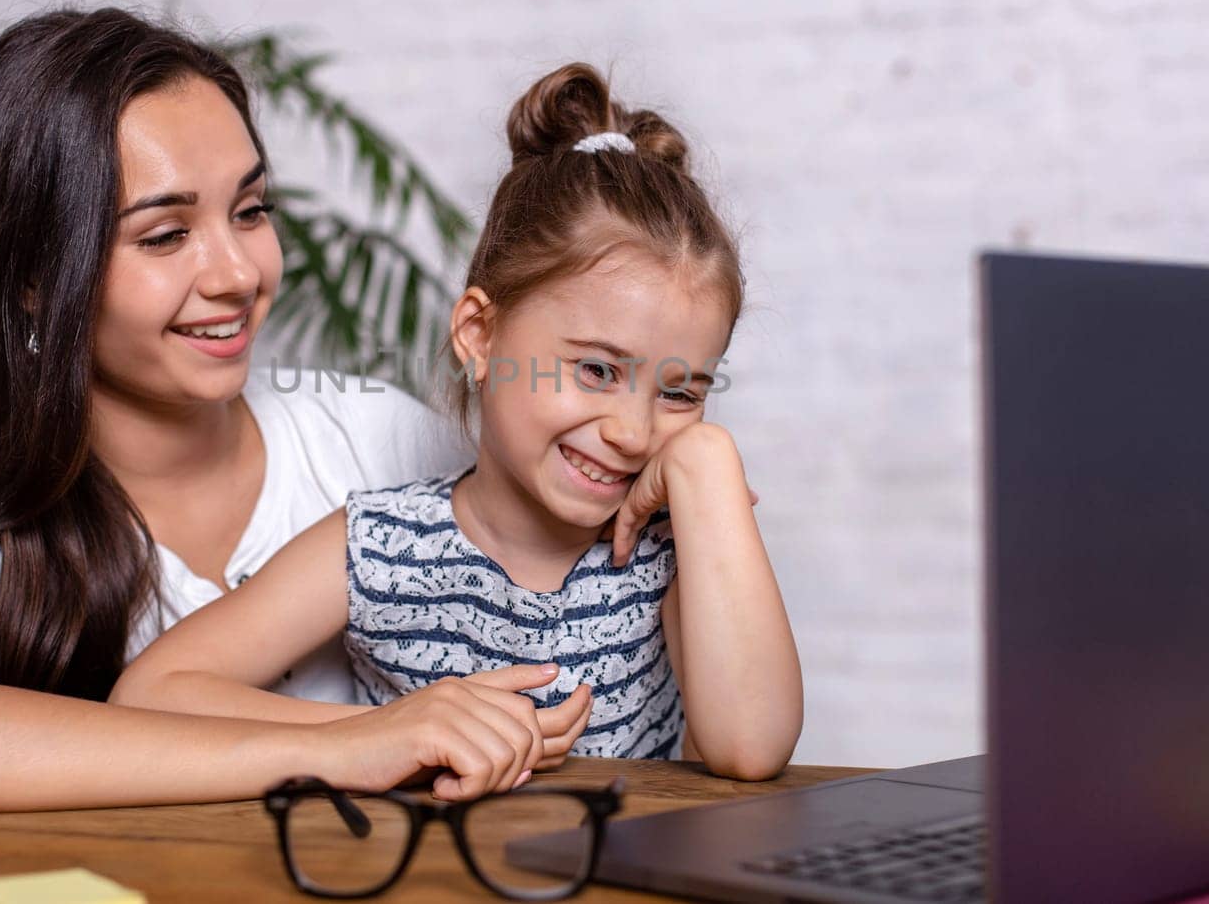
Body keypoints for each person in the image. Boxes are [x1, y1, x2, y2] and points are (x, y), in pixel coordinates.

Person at [0, 8, 592, 811]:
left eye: (250, 212)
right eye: (166, 235)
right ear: (35, 279)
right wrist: (347, 742)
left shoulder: (374, 439)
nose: (238, 273)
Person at [111, 63, 804, 783]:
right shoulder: (380, 545)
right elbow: (151, 694)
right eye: (597, 370)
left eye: (682, 392)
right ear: (479, 333)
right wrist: (392, 731)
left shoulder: (669, 549)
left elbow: (751, 747)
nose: (633, 431)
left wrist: (706, 463)